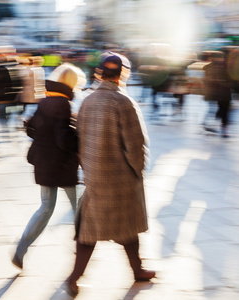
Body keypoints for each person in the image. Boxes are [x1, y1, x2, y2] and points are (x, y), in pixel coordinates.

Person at [64, 54, 155, 297]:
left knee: (96, 231)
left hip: (94, 176)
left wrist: (88, 168)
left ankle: (134, 270)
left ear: (99, 73)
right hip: (122, 179)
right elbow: (135, 146)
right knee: (123, 226)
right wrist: (138, 172)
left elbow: (80, 139)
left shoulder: (87, 101)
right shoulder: (123, 101)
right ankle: (76, 277)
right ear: (123, 74)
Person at [12, 63, 86, 269]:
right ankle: (82, 249)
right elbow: (64, 140)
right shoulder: (63, 104)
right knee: (79, 207)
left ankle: (20, 249)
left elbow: (32, 129)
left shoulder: (45, 100)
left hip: (44, 163)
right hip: (62, 166)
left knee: (46, 208)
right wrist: (77, 133)